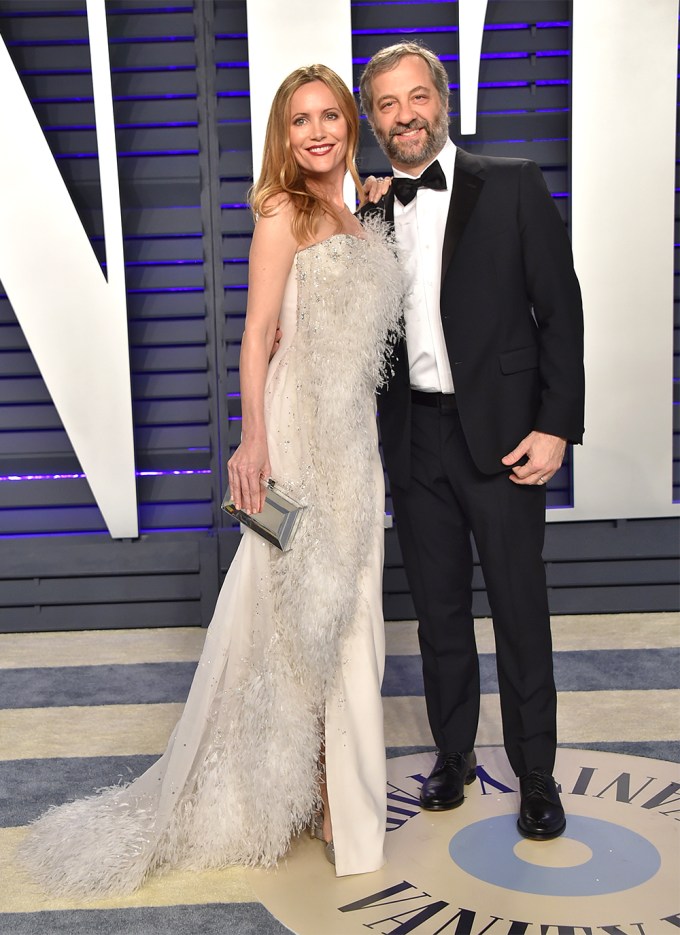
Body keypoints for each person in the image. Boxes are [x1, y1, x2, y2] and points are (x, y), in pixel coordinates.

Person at [19, 64, 404, 896]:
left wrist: (365, 204)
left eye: (329, 115)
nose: (315, 132)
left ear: (349, 122)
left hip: (358, 448)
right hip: (301, 440)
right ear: (283, 133)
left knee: (353, 621)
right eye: (299, 120)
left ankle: (330, 789)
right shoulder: (281, 214)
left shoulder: (359, 208)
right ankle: (342, 809)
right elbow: (258, 334)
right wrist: (253, 442)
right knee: (307, 622)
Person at [359, 42, 585, 840]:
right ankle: (452, 755)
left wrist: (557, 424)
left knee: (522, 610)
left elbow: (560, 312)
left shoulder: (515, 185)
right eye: (386, 104)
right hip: (416, 436)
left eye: (415, 98)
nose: (403, 115)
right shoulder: (371, 210)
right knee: (438, 613)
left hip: (507, 435)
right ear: (373, 118)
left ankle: (536, 775)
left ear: (441, 102)